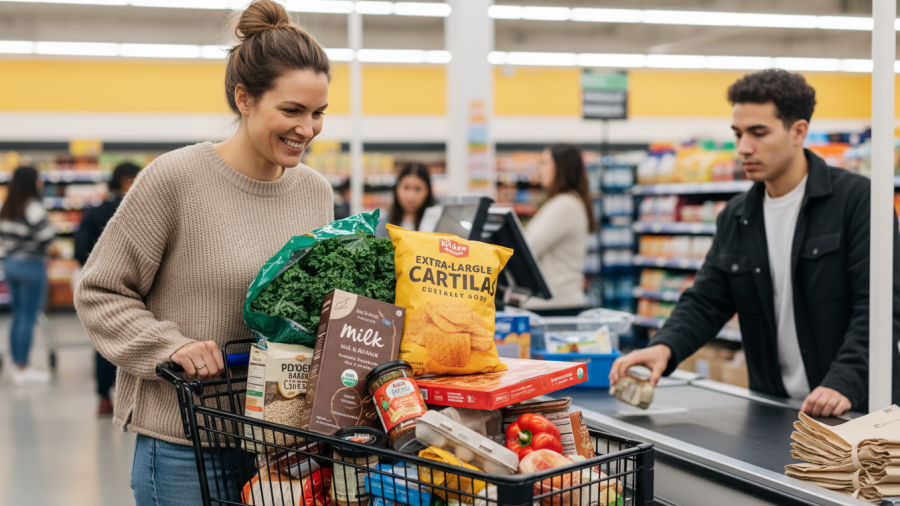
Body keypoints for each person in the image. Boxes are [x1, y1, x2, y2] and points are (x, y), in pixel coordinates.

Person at [74, 1, 334, 504]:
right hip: (184, 444)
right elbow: (100, 291)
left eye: (318, 112)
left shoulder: (315, 192)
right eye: (292, 110)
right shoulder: (175, 179)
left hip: (282, 445)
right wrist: (169, 345)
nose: (308, 128)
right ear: (244, 98)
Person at [610, 69, 900, 417]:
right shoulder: (737, 215)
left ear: (798, 131)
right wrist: (664, 347)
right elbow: (707, 299)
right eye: (738, 133)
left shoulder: (858, 201)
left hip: (857, 411)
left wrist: (845, 380)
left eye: (758, 133)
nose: (743, 147)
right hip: (775, 408)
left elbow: (879, 308)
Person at [74, 162, 141, 416]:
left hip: (102, 291)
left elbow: (79, 251)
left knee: (103, 344)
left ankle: (104, 397)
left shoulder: (94, 211)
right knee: (135, 342)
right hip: (137, 292)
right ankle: (134, 401)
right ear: (128, 180)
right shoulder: (138, 209)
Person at [523, 144, 596, 315]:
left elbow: (528, 248)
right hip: (556, 302)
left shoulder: (565, 204)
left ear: (561, 167)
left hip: (556, 305)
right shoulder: (565, 202)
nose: (540, 169)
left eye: (545, 163)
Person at [0, 166, 55, 387]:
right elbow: (46, 235)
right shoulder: (32, 206)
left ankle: (16, 366)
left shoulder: (7, 206)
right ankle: (23, 367)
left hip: (11, 264)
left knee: (18, 315)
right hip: (31, 265)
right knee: (29, 316)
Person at [377, 162, 434, 236]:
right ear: (397, 189)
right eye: (406, 187)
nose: (411, 196)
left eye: (418, 189)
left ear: (427, 191)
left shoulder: (436, 225)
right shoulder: (381, 226)